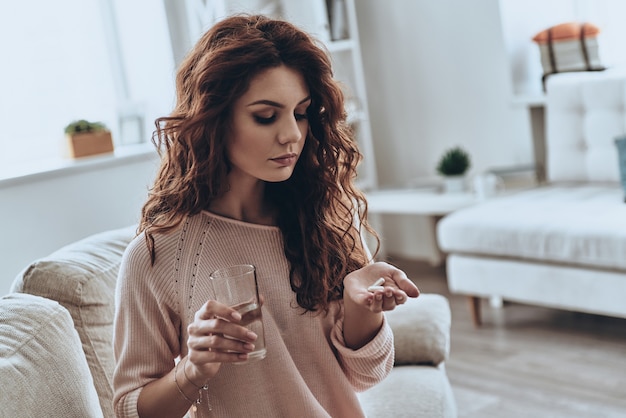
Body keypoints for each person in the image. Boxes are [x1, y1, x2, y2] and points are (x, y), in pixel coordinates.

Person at [113, 14, 420, 418]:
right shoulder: (158, 256)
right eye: (265, 115)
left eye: (302, 112)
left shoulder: (328, 217)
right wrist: (192, 370)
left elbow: (366, 376)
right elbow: (128, 409)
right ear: (213, 118)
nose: (291, 133)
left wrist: (360, 306)